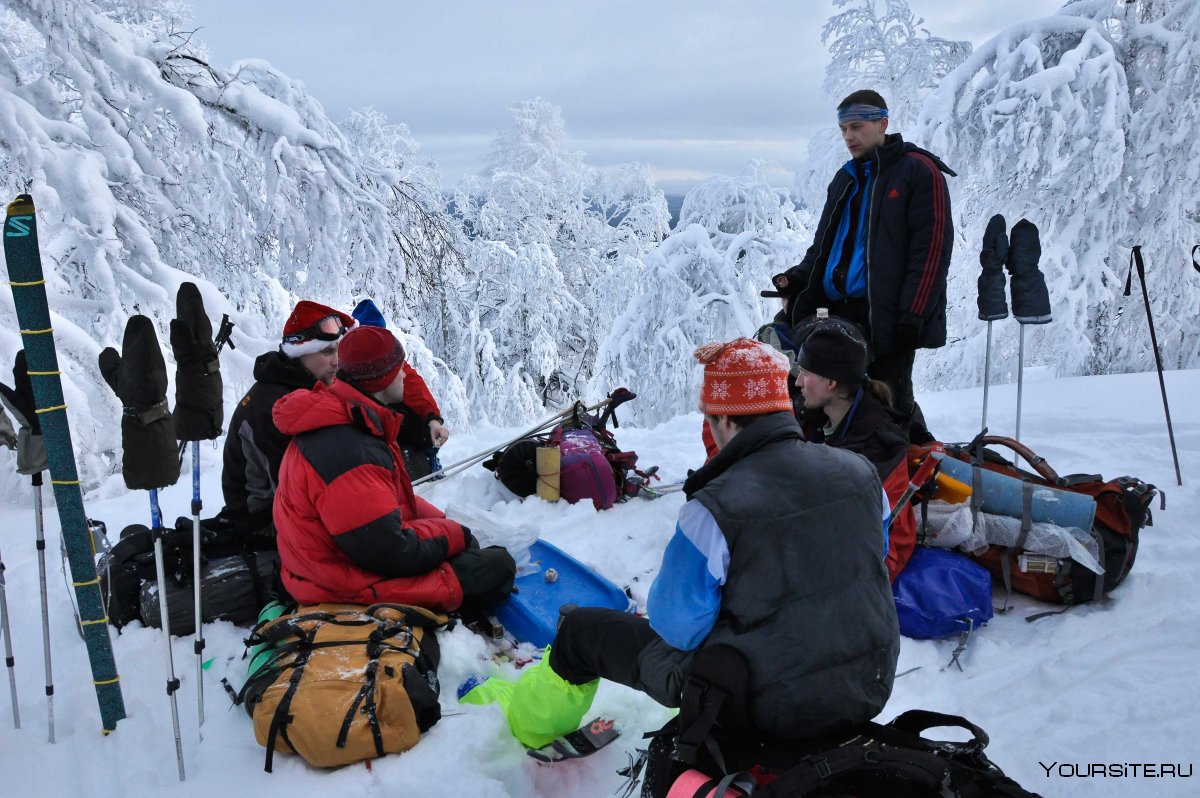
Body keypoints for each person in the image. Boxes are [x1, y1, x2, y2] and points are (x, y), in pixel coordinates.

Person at [464, 338, 899, 748]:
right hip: (869, 680)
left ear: (726, 420)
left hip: (764, 700)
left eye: (709, 419)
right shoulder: (861, 472)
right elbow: (869, 556)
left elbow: (677, 628)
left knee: (580, 632)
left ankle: (526, 726)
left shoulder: (716, 507)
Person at [271, 325, 515, 610]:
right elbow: (390, 552)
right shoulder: (351, 449)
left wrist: (448, 526)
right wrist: (455, 535)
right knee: (498, 565)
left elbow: (388, 504)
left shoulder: (350, 417)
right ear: (381, 379)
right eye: (399, 368)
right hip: (338, 583)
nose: (403, 375)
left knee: (466, 547)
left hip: (333, 561)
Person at [774, 89, 955, 444]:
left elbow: (931, 252)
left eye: (856, 126)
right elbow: (825, 245)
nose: (849, 137)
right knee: (832, 399)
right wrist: (798, 278)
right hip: (838, 313)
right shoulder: (846, 178)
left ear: (882, 123)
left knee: (890, 403)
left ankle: (907, 473)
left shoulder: (918, 171)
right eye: (843, 129)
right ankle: (837, 468)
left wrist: (912, 315)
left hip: (890, 315)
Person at [794, 316, 917, 581]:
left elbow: (874, 539)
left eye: (805, 373)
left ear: (831, 383)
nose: (798, 382)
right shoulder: (822, 418)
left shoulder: (875, 446)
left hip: (874, 565)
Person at [221, 300, 355, 542]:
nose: (337, 360)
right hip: (263, 521)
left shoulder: (304, 385)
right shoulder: (275, 406)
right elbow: (295, 495)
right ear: (300, 354)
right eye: (327, 351)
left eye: (338, 349)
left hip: (279, 507)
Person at [350, 298, 449, 479]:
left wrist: (432, 418)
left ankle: (426, 463)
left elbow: (415, 388)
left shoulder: (391, 360)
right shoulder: (346, 365)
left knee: (418, 430)